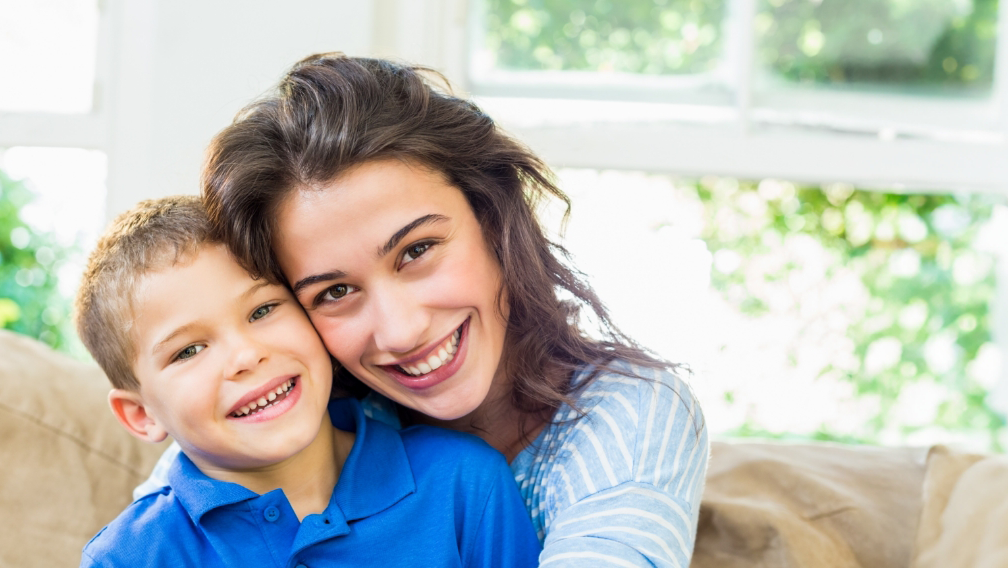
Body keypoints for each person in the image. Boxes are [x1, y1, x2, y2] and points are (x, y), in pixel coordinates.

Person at [137, 53, 711, 567]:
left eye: (418, 251)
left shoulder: (634, 412)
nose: (402, 329)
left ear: (494, 219)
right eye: (333, 292)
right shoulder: (286, 414)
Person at [76, 195, 542, 567]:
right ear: (141, 415)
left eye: (262, 310)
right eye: (189, 350)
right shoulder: (127, 557)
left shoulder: (463, 483)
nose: (246, 355)